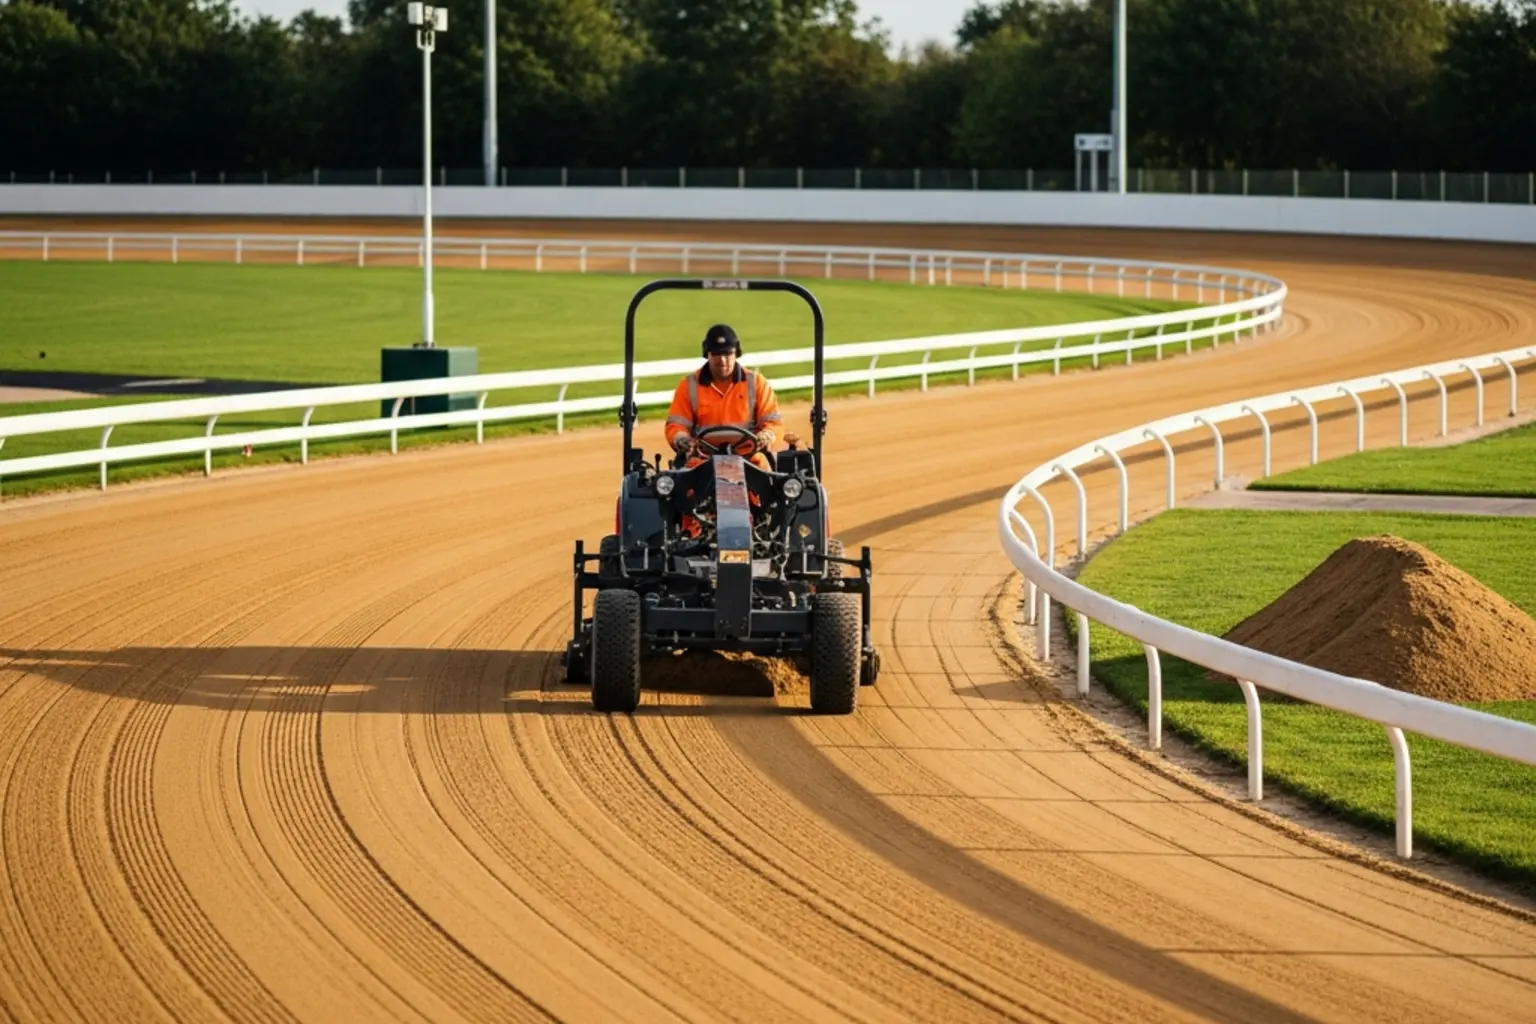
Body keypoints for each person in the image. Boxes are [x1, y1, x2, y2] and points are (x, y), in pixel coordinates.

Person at [665, 323, 783, 469]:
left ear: (736, 354)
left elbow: (773, 423)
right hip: (702, 461)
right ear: (707, 354)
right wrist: (681, 438)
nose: (722, 360)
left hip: (748, 459)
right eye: (716, 354)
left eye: (727, 353)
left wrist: (767, 435)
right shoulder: (689, 386)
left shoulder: (756, 383)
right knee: (684, 486)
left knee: (771, 485)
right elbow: (676, 424)